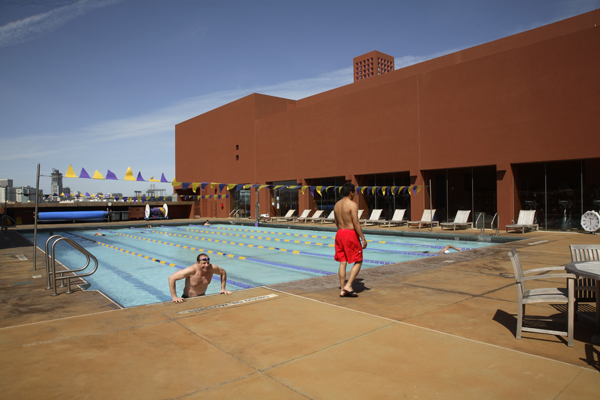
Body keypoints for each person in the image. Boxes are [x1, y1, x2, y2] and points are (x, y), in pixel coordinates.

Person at [334, 183, 367, 298]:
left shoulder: (337, 205)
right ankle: (349, 285)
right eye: (354, 192)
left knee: (343, 262)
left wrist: (341, 232)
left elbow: (336, 222)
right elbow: (356, 223)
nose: (354, 195)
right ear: (350, 192)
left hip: (340, 233)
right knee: (358, 260)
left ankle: (342, 289)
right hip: (350, 233)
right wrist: (362, 238)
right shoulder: (352, 205)